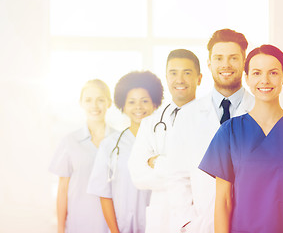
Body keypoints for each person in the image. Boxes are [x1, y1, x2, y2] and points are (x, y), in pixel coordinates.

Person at [199, 44, 283, 233]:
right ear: (247, 78)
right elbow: (223, 200)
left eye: (273, 73)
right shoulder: (229, 131)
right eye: (256, 73)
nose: (264, 80)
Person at [180, 28, 254, 232]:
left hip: (252, 223)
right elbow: (177, 176)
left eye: (233, 58)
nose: (226, 65)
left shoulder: (260, 111)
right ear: (209, 63)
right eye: (219, 58)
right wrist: (187, 222)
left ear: (244, 62)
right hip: (201, 225)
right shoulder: (188, 115)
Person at [128, 49, 202, 233]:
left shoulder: (211, 120)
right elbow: (138, 176)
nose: (180, 79)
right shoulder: (150, 123)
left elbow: (207, 175)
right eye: (173, 73)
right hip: (161, 220)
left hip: (198, 218)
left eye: (187, 73)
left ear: (199, 78)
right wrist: (188, 172)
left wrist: (157, 162)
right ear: (166, 77)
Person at [87, 71, 164, 233]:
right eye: (131, 102)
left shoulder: (164, 142)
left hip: (159, 225)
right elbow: (104, 193)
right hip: (121, 227)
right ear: (123, 105)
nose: (138, 107)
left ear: (155, 104)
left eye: (144, 101)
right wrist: (115, 231)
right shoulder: (110, 145)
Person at [49, 79, 113, 233]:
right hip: (78, 225)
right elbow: (62, 190)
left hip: (112, 226)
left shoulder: (120, 141)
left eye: (100, 100)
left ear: (109, 103)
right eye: (89, 100)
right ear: (81, 103)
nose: (94, 106)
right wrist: (60, 229)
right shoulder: (69, 141)